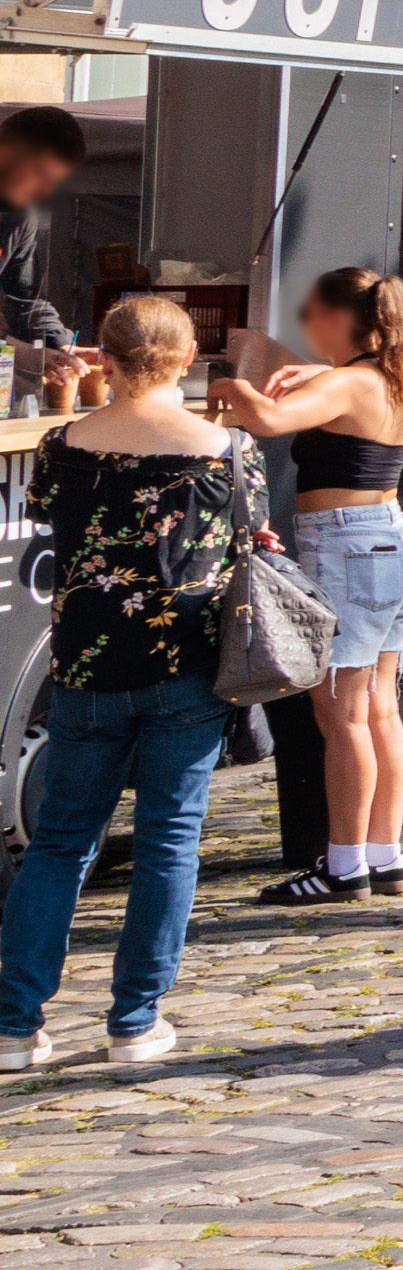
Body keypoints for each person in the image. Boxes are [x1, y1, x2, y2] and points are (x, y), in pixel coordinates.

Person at [4, 298, 258, 1068]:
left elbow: (55, 524)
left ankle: (14, 1025)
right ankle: (134, 1021)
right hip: (186, 663)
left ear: (101, 362)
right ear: (186, 362)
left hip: (86, 661)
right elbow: (250, 538)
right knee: (167, 840)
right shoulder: (227, 449)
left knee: (59, 843)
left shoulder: (62, 445)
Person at [223, 266, 403, 905]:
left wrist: (227, 383)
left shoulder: (349, 383)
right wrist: (310, 370)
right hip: (390, 548)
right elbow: (302, 376)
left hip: (346, 548)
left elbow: (266, 419)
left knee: (340, 717)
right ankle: (382, 855)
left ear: (341, 318)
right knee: (381, 710)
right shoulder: (390, 377)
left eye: (311, 315)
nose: (306, 329)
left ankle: (343, 867)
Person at [0, 105, 78, 383]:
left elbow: (25, 300)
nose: (46, 191)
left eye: (54, 180)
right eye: (39, 173)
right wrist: (21, 354)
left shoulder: (19, 217)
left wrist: (61, 344)